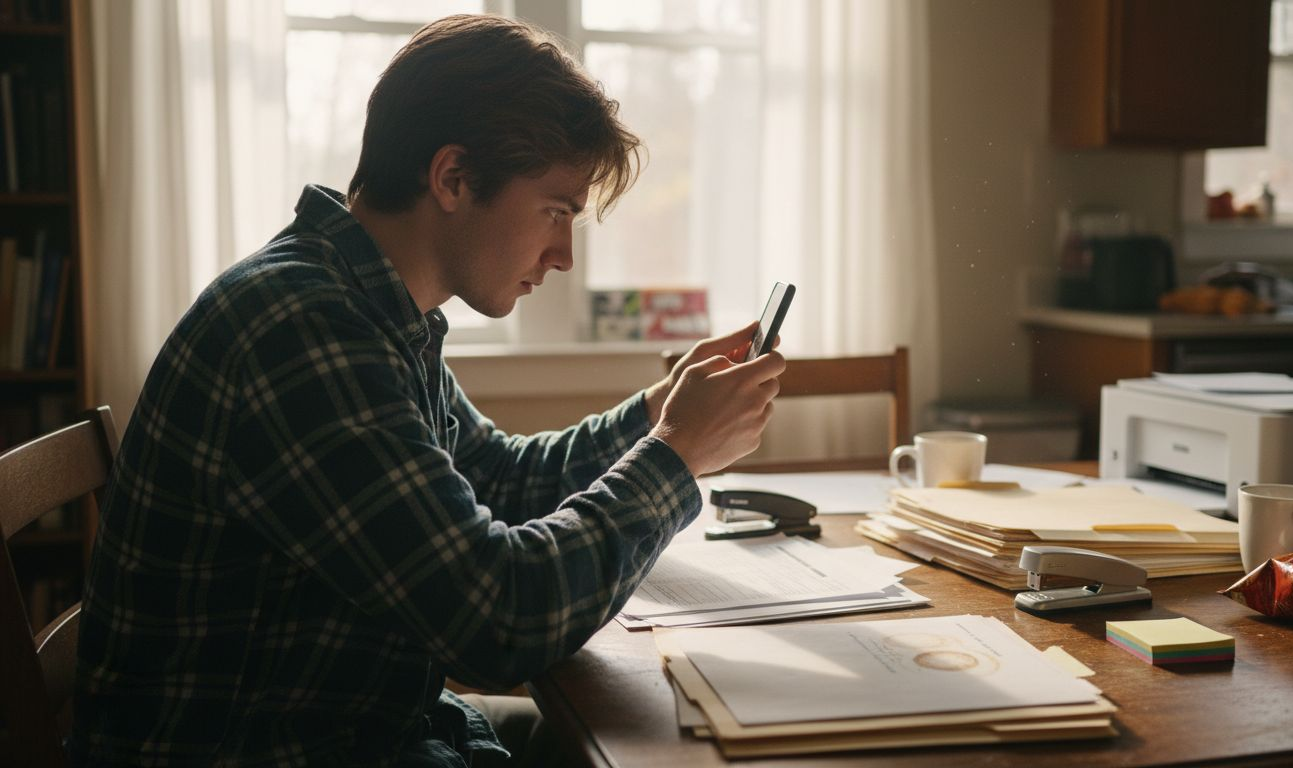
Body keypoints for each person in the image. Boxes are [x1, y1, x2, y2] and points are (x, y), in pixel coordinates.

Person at [69, 14, 784, 768]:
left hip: (367, 726)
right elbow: (498, 621)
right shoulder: (303, 331)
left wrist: (661, 412)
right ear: (452, 178)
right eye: (556, 211)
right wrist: (674, 457)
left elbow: (501, 481)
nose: (565, 256)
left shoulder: (368, 307)